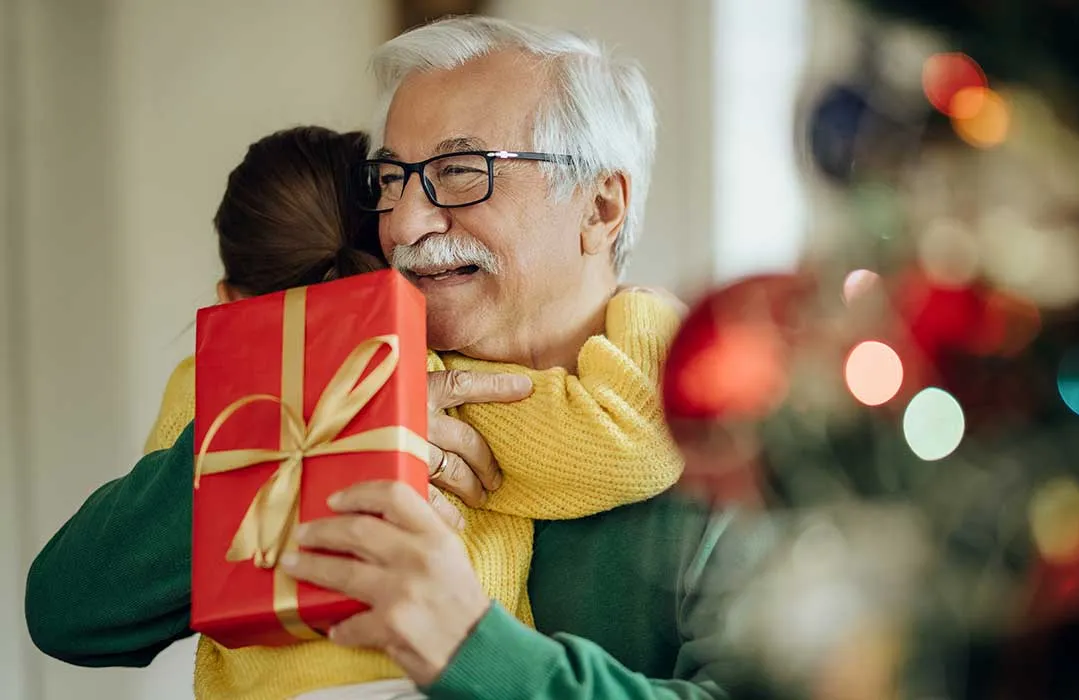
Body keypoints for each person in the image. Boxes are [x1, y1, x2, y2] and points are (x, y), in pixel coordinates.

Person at [25, 16, 751, 700]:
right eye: (391, 178)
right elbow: (70, 614)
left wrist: (472, 648)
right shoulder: (329, 380)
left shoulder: (737, 438)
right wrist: (308, 433)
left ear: (601, 207)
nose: (404, 222)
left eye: (463, 171)